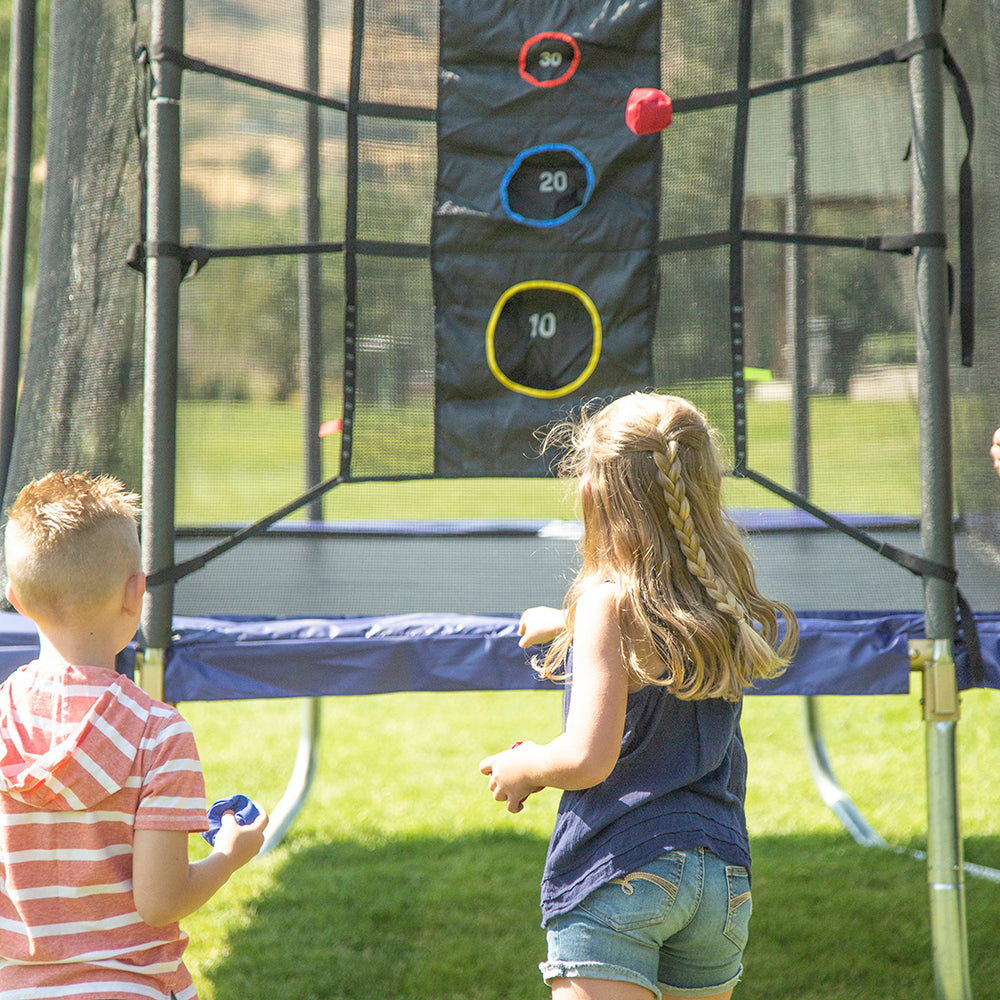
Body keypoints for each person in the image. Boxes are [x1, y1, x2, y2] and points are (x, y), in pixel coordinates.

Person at [480, 393, 798, 1000]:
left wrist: (526, 765)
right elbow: (657, 633)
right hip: (720, 878)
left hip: (622, 866)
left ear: (595, 497)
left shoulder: (608, 605)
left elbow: (587, 759)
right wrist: (569, 623)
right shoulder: (722, 593)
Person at [0, 471, 268, 1000]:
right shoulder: (159, 735)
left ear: (16, 599)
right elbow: (161, 900)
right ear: (135, 592)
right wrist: (229, 857)